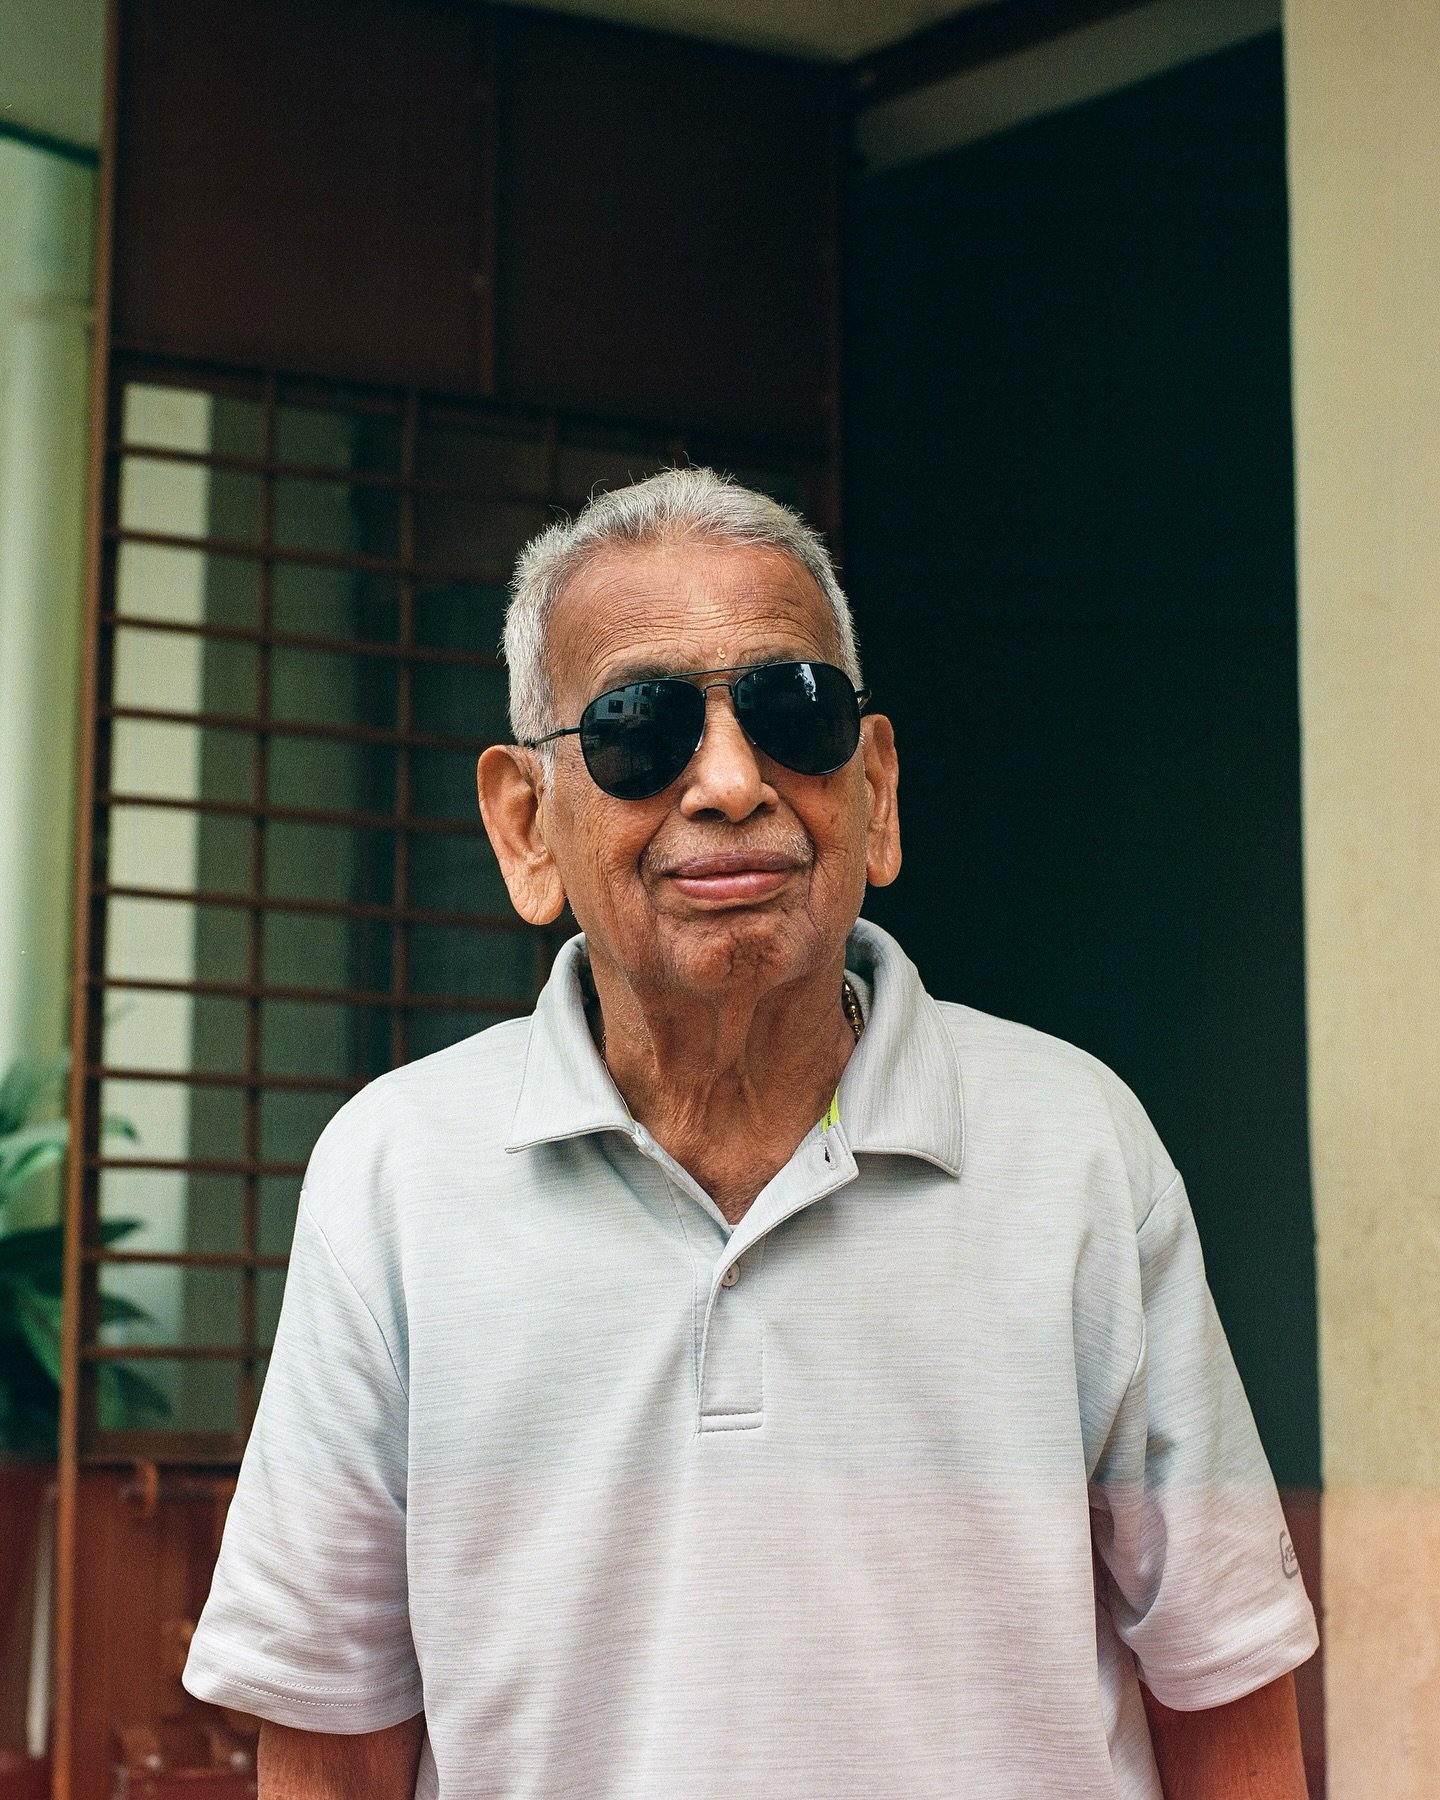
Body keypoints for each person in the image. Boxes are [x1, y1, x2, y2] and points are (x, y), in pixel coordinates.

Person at [183, 468, 1317, 1798]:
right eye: (637, 728)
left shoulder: (1074, 1149)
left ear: (876, 793)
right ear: (523, 825)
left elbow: (1228, 1694)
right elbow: (328, 1746)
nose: (728, 781)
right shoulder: (397, 1175)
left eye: (794, 713)